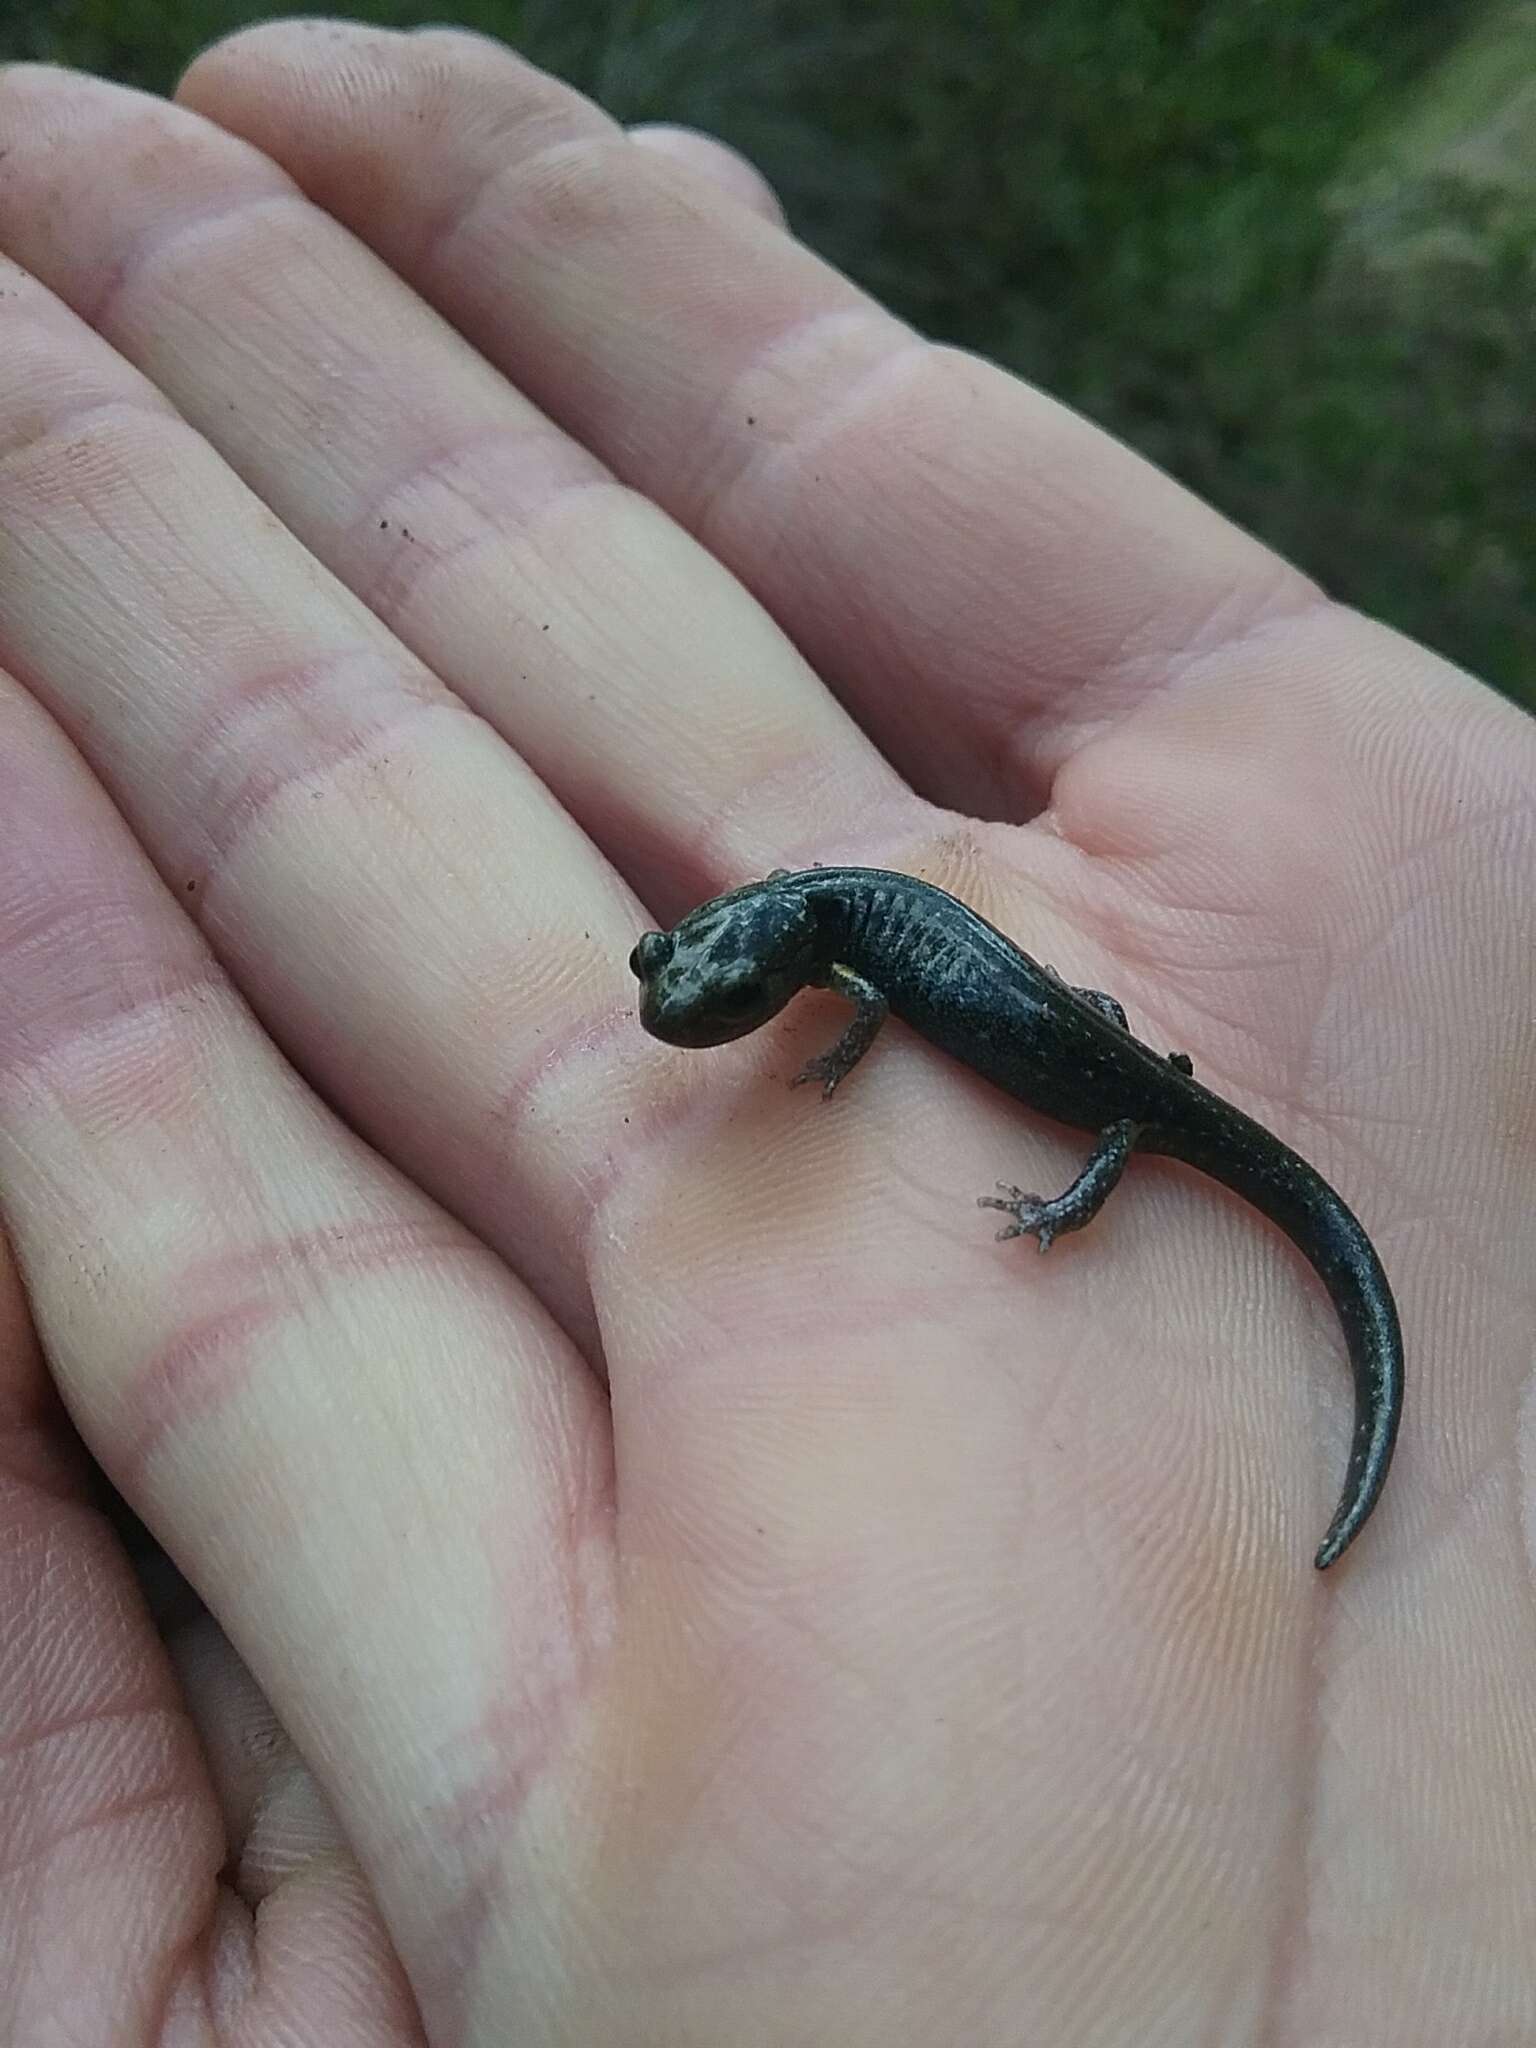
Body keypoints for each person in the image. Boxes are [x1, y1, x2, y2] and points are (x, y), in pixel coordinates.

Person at [0, 22, 1531, 2046]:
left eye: (710, 994)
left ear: (761, 959)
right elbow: (805, 977)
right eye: (690, 991)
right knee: (1106, 1079)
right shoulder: (804, 931)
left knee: (1155, 1127)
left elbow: (878, 998)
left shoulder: (856, 963)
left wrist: (1051, 1172)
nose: (695, 1009)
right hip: (1081, 1049)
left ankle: (1157, 1229)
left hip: (1124, 1097)